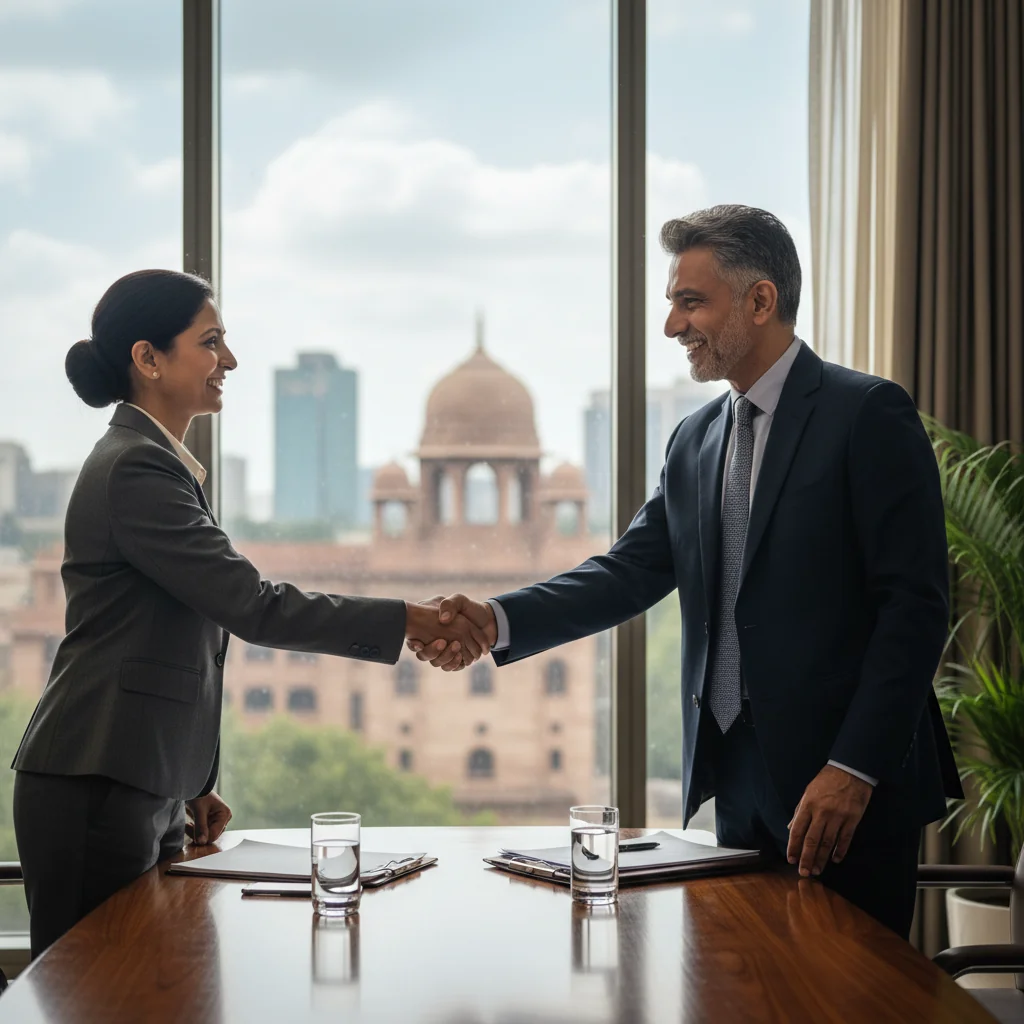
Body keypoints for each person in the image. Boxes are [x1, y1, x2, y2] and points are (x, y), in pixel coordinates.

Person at [410, 205, 962, 939]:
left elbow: (914, 609)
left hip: (842, 795)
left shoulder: (866, 414)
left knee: (849, 1000)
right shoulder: (696, 437)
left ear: (760, 301)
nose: (672, 325)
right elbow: (628, 573)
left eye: (689, 301)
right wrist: (495, 619)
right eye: (672, 302)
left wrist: (853, 769)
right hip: (733, 782)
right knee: (737, 992)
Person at [13, 269, 488, 959]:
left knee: (149, 987)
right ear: (149, 359)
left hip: (134, 780)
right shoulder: (135, 470)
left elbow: (174, 643)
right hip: (97, 780)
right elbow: (251, 606)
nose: (228, 361)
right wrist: (412, 619)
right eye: (210, 342)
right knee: (98, 994)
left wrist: (191, 782)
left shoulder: (155, 463)